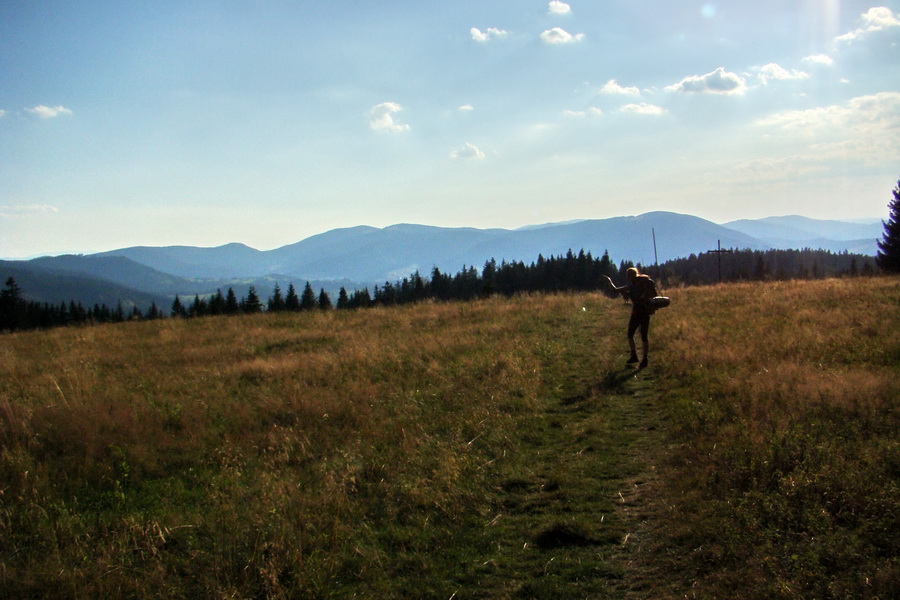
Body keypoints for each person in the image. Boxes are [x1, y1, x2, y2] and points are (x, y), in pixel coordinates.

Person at [605, 267, 658, 368]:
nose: (627, 277)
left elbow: (615, 290)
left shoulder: (632, 285)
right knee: (644, 336)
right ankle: (644, 358)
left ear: (631, 275)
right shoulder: (642, 283)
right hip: (646, 312)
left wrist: (609, 281)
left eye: (628, 275)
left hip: (637, 312)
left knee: (630, 334)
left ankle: (634, 355)